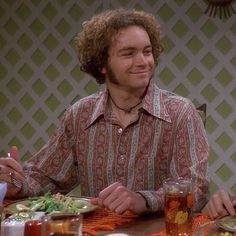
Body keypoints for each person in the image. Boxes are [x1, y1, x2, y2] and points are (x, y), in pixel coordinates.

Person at [0, 8, 209, 215]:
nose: (143, 62)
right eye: (129, 54)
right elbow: (47, 177)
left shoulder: (181, 113)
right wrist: (13, 181)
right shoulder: (79, 115)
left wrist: (143, 200)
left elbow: (195, 189)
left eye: (147, 51)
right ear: (102, 64)